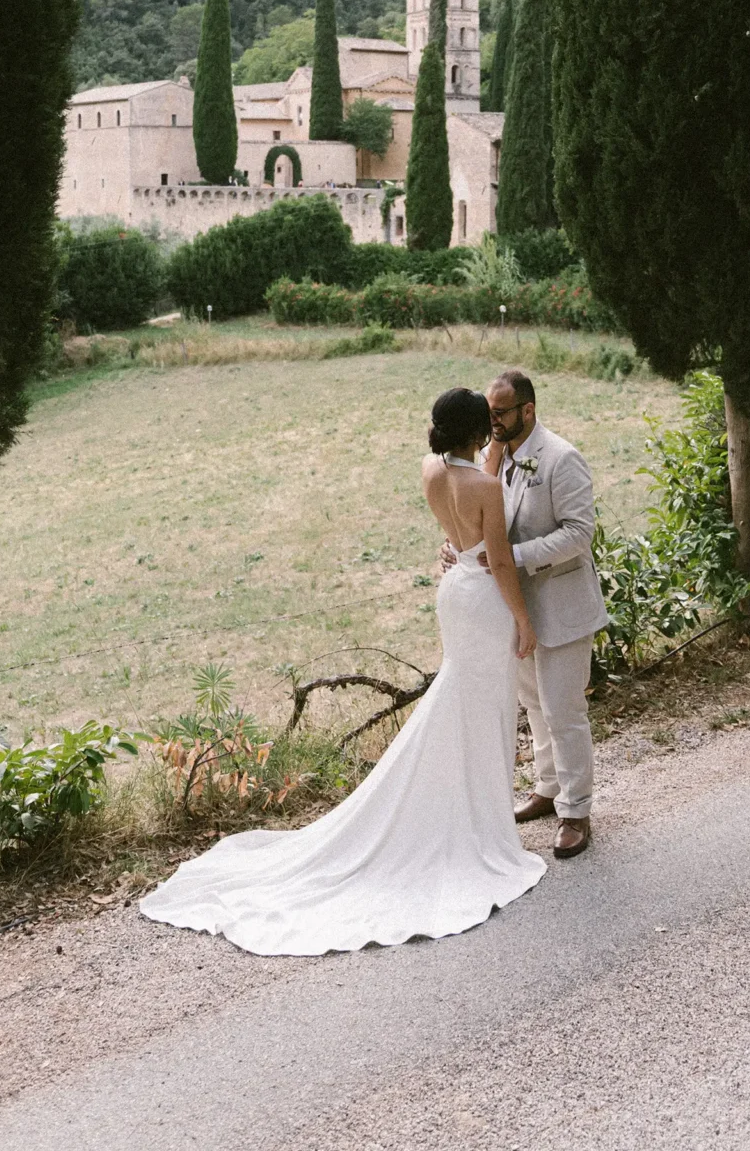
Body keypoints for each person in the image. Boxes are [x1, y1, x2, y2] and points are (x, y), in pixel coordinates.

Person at [140, 386, 546, 955]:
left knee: (459, 702)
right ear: (479, 431)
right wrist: (523, 618)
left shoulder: (432, 472)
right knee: (486, 710)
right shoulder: (486, 488)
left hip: (454, 593)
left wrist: (484, 454)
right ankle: (479, 825)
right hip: (484, 600)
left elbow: (461, 497)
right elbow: (500, 560)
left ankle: (465, 811)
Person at [473, 369, 607, 858]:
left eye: (500, 413)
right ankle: (548, 789)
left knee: (563, 710)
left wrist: (513, 556)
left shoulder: (561, 458)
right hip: (519, 606)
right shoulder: (497, 457)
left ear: (527, 410)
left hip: (563, 603)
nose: (492, 421)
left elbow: (579, 533)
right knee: (532, 703)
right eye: (488, 413)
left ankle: (577, 810)